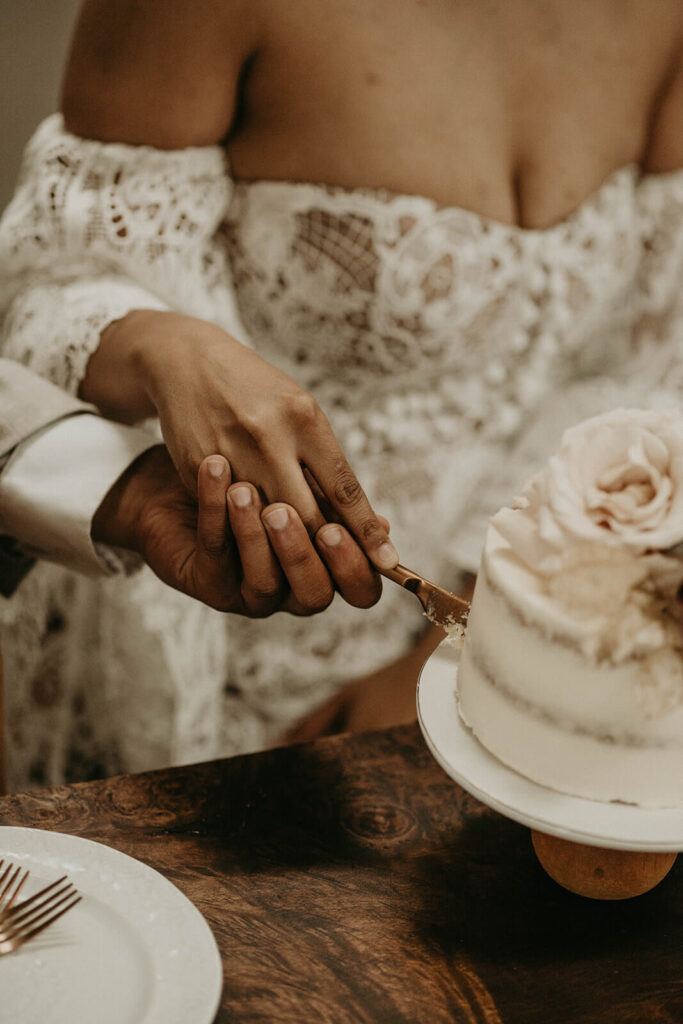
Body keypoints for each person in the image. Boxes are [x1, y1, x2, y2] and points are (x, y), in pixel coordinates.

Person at [1, 0, 681, 787]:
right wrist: (163, 344)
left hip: (508, 650)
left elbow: (643, 370)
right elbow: (45, 292)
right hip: (212, 614)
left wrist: (466, 638)